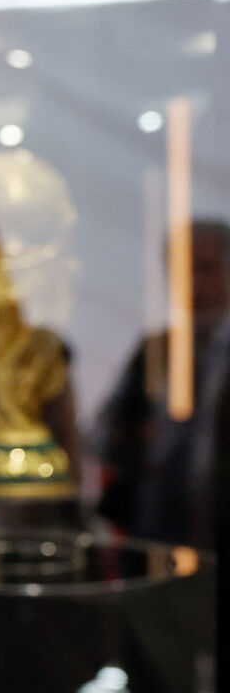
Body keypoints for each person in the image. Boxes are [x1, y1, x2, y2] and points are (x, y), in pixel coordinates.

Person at [95, 218, 230, 548]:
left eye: (206, 269)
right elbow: (102, 434)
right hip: (157, 536)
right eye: (183, 271)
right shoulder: (155, 351)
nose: (195, 285)